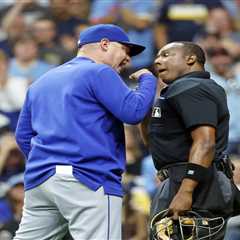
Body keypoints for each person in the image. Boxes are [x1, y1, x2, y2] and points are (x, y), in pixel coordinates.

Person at [14, 24, 157, 240]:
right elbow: (133, 111)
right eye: (125, 50)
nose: (128, 59)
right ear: (105, 44)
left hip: (40, 181)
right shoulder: (98, 71)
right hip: (88, 178)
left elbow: (23, 136)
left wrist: (49, 162)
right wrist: (148, 80)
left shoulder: (42, 81)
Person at [139, 41, 240, 239]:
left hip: (195, 183)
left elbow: (205, 142)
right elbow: (156, 143)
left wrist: (186, 191)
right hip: (182, 178)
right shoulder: (179, 90)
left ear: (190, 59)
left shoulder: (192, 86)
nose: (158, 60)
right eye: (158, 56)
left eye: (166, 55)